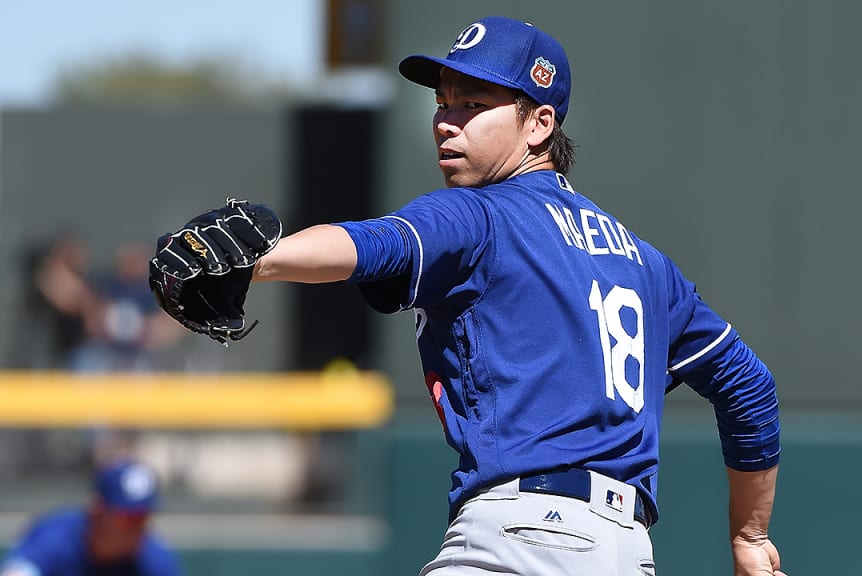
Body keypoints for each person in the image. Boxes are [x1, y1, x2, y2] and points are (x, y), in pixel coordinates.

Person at [177, 15, 785, 575]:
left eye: (474, 104)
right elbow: (750, 388)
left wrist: (255, 261)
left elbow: (374, 245)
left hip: (517, 537)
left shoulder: (477, 216)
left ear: (539, 123)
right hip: (624, 550)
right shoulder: (648, 266)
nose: (447, 119)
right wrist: (751, 537)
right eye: (443, 102)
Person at [0, 457, 182, 576]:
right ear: (97, 511)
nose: (136, 528)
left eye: (142, 518)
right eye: (128, 518)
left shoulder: (152, 557)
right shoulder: (57, 539)